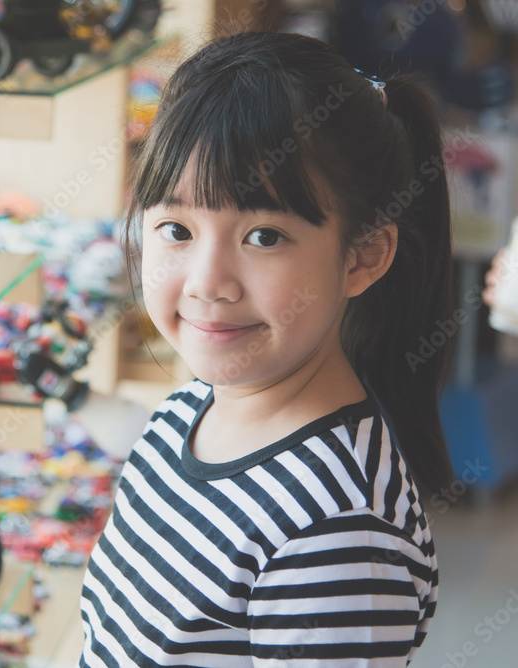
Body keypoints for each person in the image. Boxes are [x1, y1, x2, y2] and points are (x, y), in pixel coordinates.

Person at [80, 30, 454, 667]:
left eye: (263, 236)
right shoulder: (189, 409)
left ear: (364, 255)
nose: (206, 282)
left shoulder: (339, 526)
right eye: (176, 229)